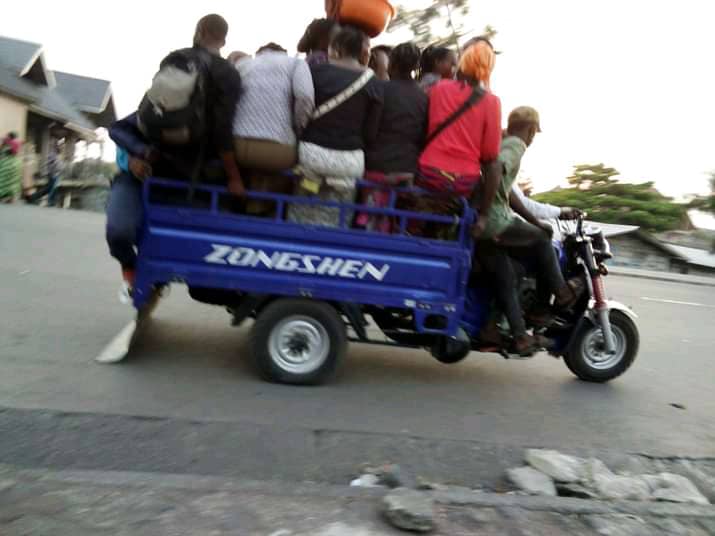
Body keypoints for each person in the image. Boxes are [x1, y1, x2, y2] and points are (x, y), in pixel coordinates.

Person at [106, 14, 243, 298]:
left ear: (199, 31)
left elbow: (120, 127)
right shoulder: (229, 74)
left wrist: (139, 152)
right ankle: (139, 276)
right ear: (224, 39)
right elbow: (223, 131)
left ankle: (134, 272)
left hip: (161, 176)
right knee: (205, 254)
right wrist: (234, 178)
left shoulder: (175, 58)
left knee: (119, 234)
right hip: (174, 177)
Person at [475, 106, 585, 355]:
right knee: (543, 240)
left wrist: (536, 221)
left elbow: (511, 195)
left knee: (508, 273)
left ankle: (508, 333)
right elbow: (496, 169)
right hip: (494, 220)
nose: (533, 138)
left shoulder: (503, 141)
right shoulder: (515, 145)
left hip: (483, 226)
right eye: (534, 132)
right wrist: (537, 227)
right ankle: (559, 293)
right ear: (530, 129)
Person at [288, 25, 384, 227]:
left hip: (312, 156)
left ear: (335, 48)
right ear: (361, 51)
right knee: (339, 214)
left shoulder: (314, 71)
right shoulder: (373, 81)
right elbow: (371, 132)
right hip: (348, 162)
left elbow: (299, 107)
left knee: (303, 208)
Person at [413, 39, 502, 239]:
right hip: (462, 183)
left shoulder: (439, 88)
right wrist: (484, 216)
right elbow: (490, 157)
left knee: (415, 221)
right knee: (448, 220)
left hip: (429, 174)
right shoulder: (492, 102)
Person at [233, 42, 315, 215]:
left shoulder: (242, 64)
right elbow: (305, 98)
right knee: (292, 169)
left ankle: (246, 208)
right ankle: (268, 213)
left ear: (259, 53)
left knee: (250, 172)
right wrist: (298, 130)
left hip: (236, 146)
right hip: (277, 149)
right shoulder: (295, 63)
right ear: (283, 53)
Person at [358, 42, 427, 232]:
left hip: (376, 168)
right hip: (407, 170)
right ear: (415, 67)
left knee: (370, 225)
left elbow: (370, 132)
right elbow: (422, 136)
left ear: (392, 63)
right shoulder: (423, 97)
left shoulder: (381, 89)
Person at [0, 132, 22, 202]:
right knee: (12, 181)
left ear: (10, 136)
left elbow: (12, 151)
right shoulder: (16, 143)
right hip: (15, 163)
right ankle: (10, 197)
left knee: (4, 179)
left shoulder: (11, 142)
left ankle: (6, 196)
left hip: (9, 162)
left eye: (8, 136)